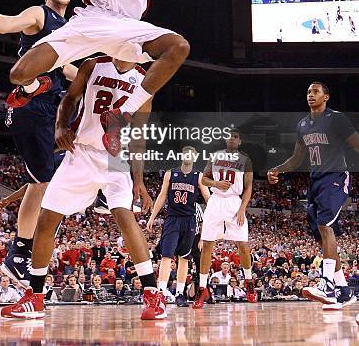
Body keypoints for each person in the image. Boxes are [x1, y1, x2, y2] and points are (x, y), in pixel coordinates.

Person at [4, 0, 190, 156]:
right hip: (90, 20)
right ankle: (38, 87)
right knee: (19, 74)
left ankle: (122, 114)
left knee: (178, 47)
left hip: (127, 25)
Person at [0, 56, 166, 321]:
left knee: (125, 217)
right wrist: (60, 127)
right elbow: (69, 99)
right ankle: (36, 297)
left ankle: (152, 294)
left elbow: (138, 133)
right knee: (46, 221)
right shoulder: (93, 65)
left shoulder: (145, 80)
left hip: (116, 157)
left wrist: (139, 181)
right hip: (81, 151)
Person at [0, 0, 77, 286]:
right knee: (42, 180)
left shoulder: (68, 29)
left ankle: (19, 252)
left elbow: (69, 69)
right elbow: (11, 22)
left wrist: (97, 71)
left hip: (49, 103)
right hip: (33, 105)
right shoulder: (40, 13)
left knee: (41, 179)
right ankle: (18, 252)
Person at [267, 82, 359, 310]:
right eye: (308, 91)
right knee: (323, 236)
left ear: (326, 96)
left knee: (327, 227)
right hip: (316, 181)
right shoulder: (302, 125)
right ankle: (344, 291)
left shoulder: (336, 119)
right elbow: (297, 158)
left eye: (315, 91)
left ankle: (327, 284)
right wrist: (278, 169)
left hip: (336, 176)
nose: (310, 95)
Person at [194, 129, 256, 308]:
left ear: (240, 141)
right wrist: (216, 184)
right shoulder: (214, 156)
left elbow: (248, 187)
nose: (232, 139)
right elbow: (204, 180)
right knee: (207, 244)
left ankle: (249, 282)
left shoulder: (245, 160)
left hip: (234, 202)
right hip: (215, 201)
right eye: (229, 136)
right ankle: (202, 288)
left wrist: (243, 209)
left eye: (235, 136)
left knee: (243, 245)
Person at [146, 146, 209, 307]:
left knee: (184, 258)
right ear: (182, 155)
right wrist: (152, 217)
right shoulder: (170, 173)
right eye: (186, 153)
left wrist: (214, 218)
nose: (188, 155)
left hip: (189, 220)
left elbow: (209, 198)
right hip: (172, 219)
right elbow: (161, 196)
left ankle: (180, 294)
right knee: (166, 256)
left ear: (195, 157)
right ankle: (160, 292)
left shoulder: (198, 176)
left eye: (192, 154)